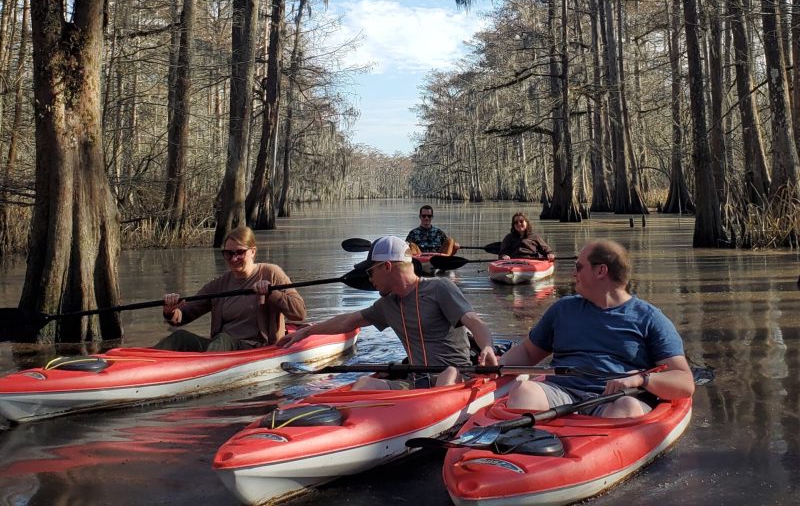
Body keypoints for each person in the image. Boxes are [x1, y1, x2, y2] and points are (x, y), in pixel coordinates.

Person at [497, 239, 695, 417]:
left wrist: (640, 380)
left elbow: (684, 382)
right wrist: (495, 366)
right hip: (562, 395)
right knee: (524, 391)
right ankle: (530, 450)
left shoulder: (650, 319)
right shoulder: (562, 309)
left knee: (627, 408)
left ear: (601, 271)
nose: (573, 273)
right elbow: (527, 352)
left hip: (615, 401)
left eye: (579, 267)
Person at [279, 235, 497, 389]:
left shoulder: (440, 288)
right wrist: (305, 333)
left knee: (448, 374)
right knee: (364, 384)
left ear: (387, 267)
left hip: (457, 378)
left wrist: (487, 346)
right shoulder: (387, 305)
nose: (369, 278)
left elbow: (475, 322)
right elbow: (347, 321)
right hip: (416, 382)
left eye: (370, 271)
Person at [154, 226, 306, 351]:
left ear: (252, 251)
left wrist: (273, 293)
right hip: (219, 348)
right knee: (179, 337)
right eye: (228, 253)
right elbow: (183, 316)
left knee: (223, 339)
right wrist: (170, 311)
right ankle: (143, 365)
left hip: (256, 347)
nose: (233, 259)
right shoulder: (219, 285)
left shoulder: (271, 273)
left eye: (239, 252)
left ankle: (206, 374)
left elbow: (299, 313)